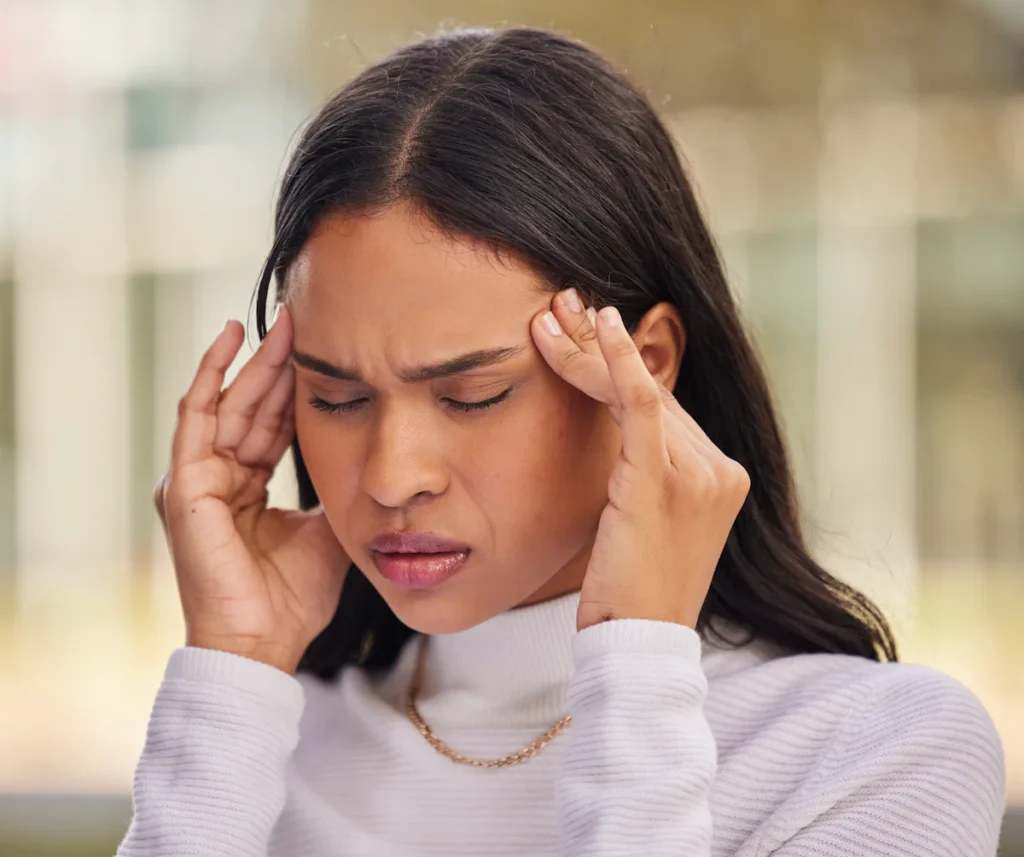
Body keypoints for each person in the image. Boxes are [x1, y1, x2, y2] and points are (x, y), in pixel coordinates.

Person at [116, 26, 1006, 857]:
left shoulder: (876, 753)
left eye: (473, 394)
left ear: (643, 369)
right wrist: (230, 669)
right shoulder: (252, 755)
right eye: (337, 396)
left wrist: (636, 663)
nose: (392, 477)